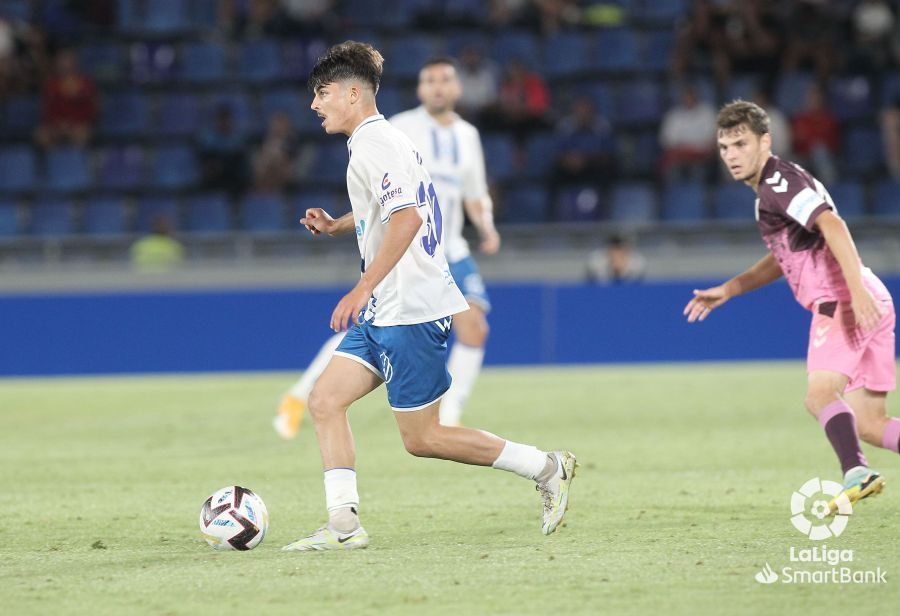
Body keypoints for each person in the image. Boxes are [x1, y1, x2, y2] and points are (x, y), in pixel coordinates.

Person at [280, 41, 576, 551]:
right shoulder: (385, 139)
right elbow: (392, 207)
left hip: (409, 309)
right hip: (387, 309)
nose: (315, 104)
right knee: (325, 400)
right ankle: (345, 527)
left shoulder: (377, 144)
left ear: (353, 94)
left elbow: (409, 217)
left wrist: (363, 283)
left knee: (423, 439)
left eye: (322, 93)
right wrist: (338, 226)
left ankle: (546, 467)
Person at [684, 100, 897, 512]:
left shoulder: (777, 183)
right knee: (870, 423)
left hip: (844, 301)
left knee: (819, 396)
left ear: (766, 141)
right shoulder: (771, 191)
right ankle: (858, 465)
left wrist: (854, 290)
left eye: (740, 144)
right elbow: (786, 257)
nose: (731, 155)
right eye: (724, 147)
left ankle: (857, 473)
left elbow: (833, 224)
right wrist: (732, 288)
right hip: (870, 296)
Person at [275, 57, 500, 433]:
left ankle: (451, 412)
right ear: (420, 89)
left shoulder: (467, 136)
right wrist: (341, 227)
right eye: (429, 80)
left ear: (457, 88)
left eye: (445, 79)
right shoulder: (397, 128)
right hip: (403, 254)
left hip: (448, 249)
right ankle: (302, 393)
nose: (438, 87)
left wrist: (487, 227)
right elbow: (385, 204)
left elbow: (473, 193)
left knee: (474, 328)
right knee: (368, 327)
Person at [34, 48, 97, 148]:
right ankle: (54, 161)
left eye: (68, 60)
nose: (65, 64)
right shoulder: (52, 84)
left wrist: (73, 124)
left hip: (79, 124)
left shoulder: (85, 83)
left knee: (82, 134)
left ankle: (76, 161)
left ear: (75, 63)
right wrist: (58, 124)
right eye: (62, 61)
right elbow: (48, 108)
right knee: (41, 135)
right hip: (57, 125)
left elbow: (90, 108)